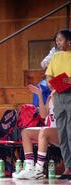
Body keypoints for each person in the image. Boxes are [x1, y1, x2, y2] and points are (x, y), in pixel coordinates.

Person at [13, 84, 58, 179]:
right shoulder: (50, 96)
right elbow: (43, 115)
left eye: (50, 79)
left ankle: (38, 170)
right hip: (50, 131)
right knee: (25, 132)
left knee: (44, 131)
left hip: (62, 131)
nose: (48, 83)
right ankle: (29, 168)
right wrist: (39, 95)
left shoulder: (63, 95)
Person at [46, 29, 71, 179]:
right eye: (57, 40)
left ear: (69, 41)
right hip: (59, 96)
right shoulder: (55, 56)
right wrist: (51, 84)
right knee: (62, 132)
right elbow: (49, 74)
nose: (58, 43)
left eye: (61, 40)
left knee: (70, 131)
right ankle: (68, 167)